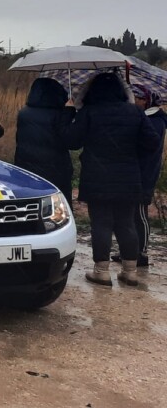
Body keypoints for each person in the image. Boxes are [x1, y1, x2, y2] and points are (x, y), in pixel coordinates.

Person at [64, 72, 158, 287]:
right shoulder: (135, 112)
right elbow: (152, 143)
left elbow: (71, 141)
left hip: (97, 176)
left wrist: (69, 112)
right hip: (129, 176)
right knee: (126, 223)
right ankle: (130, 271)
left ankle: (102, 272)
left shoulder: (89, 112)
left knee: (101, 223)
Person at [14, 77, 76, 208]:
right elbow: (69, 141)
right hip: (56, 169)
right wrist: (69, 112)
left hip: (26, 168)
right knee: (59, 206)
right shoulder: (59, 114)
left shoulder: (24, 113)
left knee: (32, 204)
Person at [128, 83, 166, 268]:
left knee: (140, 213)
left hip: (145, 173)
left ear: (145, 100)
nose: (133, 100)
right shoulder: (144, 117)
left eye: (136, 97)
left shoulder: (155, 121)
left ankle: (141, 252)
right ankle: (129, 250)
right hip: (135, 171)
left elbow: (146, 145)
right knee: (130, 213)